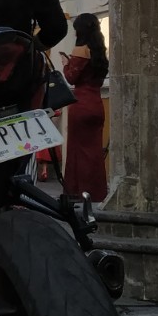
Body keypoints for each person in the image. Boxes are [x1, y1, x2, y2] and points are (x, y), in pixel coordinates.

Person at [60, 12, 110, 202]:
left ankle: (77, 193)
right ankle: (96, 192)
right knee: (94, 152)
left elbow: (72, 77)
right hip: (96, 104)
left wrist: (66, 64)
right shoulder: (99, 51)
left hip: (80, 104)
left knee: (77, 151)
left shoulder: (80, 49)